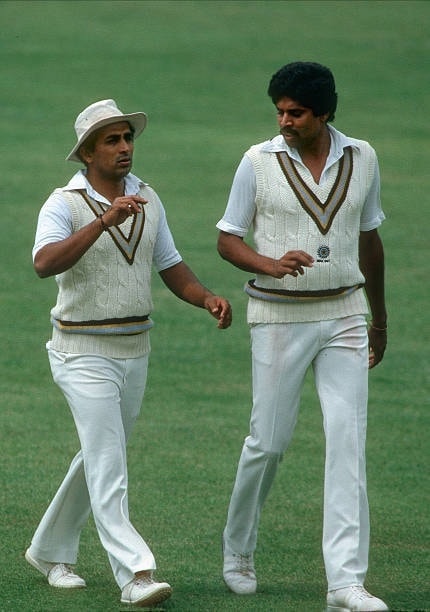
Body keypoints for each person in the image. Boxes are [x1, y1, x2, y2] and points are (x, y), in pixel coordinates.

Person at [26, 99, 232, 608]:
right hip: (80, 351)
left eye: (127, 138)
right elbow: (44, 263)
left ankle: (48, 551)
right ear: (87, 153)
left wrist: (205, 297)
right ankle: (136, 573)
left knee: (100, 455)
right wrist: (102, 222)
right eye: (112, 141)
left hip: (134, 349)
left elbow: (171, 265)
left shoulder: (148, 198)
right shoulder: (63, 203)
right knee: (109, 462)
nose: (125, 148)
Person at [216, 62, 388, 612]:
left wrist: (378, 320)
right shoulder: (257, 161)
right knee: (268, 441)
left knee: (347, 441)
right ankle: (238, 550)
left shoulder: (363, 157)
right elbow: (226, 239)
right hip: (278, 317)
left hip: (344, 315)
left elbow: (370, 240)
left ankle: (345, 583)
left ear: (326, 113)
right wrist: (268, 262)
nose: (284, 121)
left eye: (296, 112)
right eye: (280, 111)